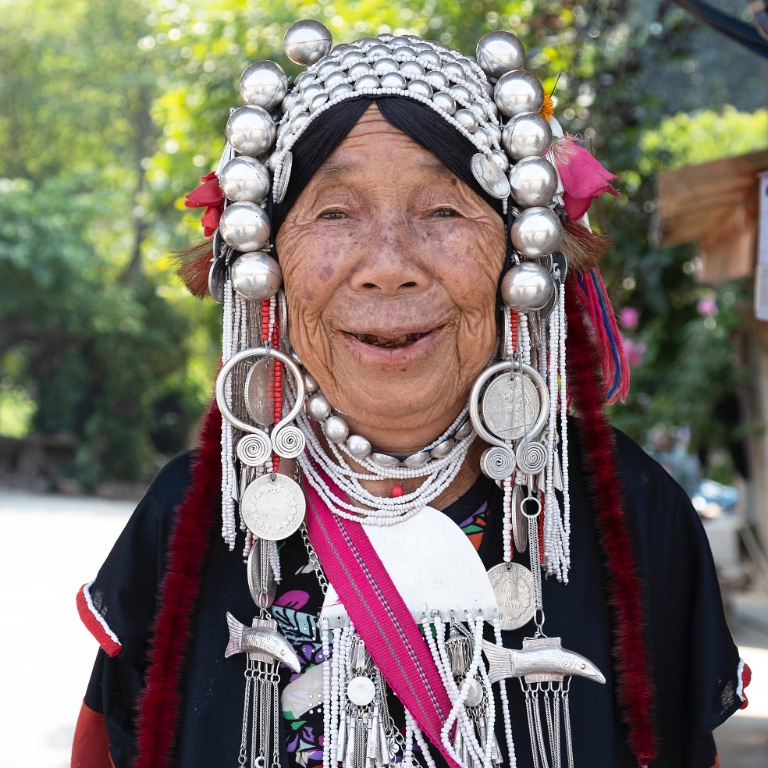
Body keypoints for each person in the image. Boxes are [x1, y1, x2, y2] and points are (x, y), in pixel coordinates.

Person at [72, 20, 749, 768]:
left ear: (516, 250)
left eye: (443, 210)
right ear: (269, 260)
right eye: (335, 213)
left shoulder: (631, 513)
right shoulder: (193, 514)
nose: (388, 265)